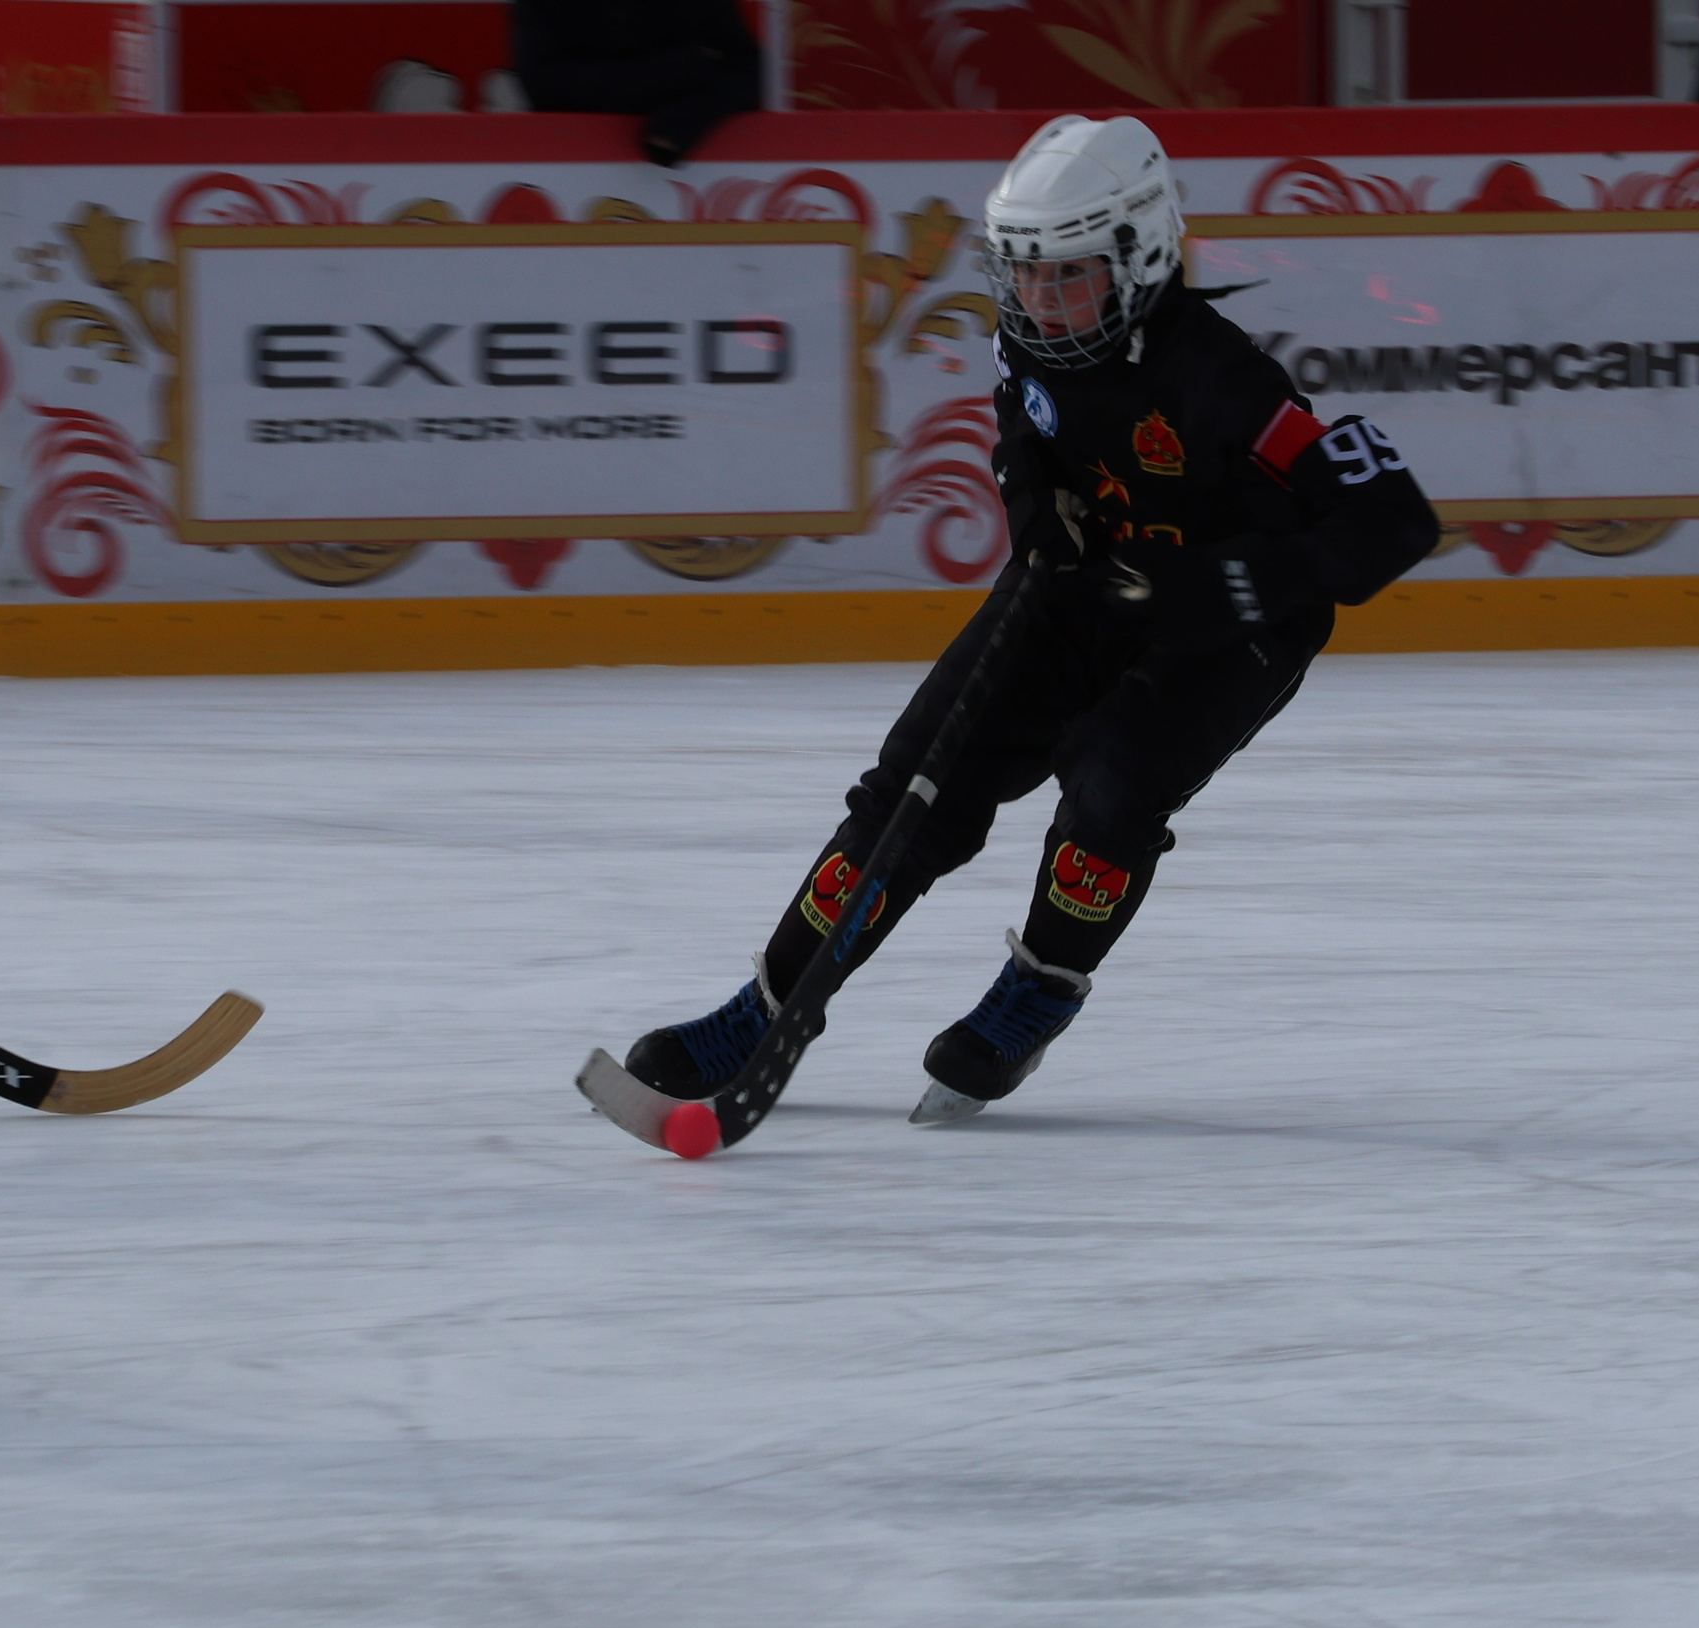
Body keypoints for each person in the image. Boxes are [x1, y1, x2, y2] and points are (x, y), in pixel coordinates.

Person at [617, 114, 1440, 1124]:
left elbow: (1395, 519)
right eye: (1024, 275)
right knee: (912, 785)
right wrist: (1028, 511)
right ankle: (766, 1007)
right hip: (1086, 587)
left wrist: (1229, 588)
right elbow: (1023, 425)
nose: (1041, 304)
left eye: (1069, 275)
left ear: (1138, 257)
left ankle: (1041, 985)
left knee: (1111, 783)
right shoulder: (1033, 335)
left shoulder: (1226, 387)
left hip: (1229, 630)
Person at [511, 0, 761, 168]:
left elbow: (748, 70)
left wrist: (685, 117)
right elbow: (544, 84)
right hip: (565, 168)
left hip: (692, 175)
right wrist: (675, 74)